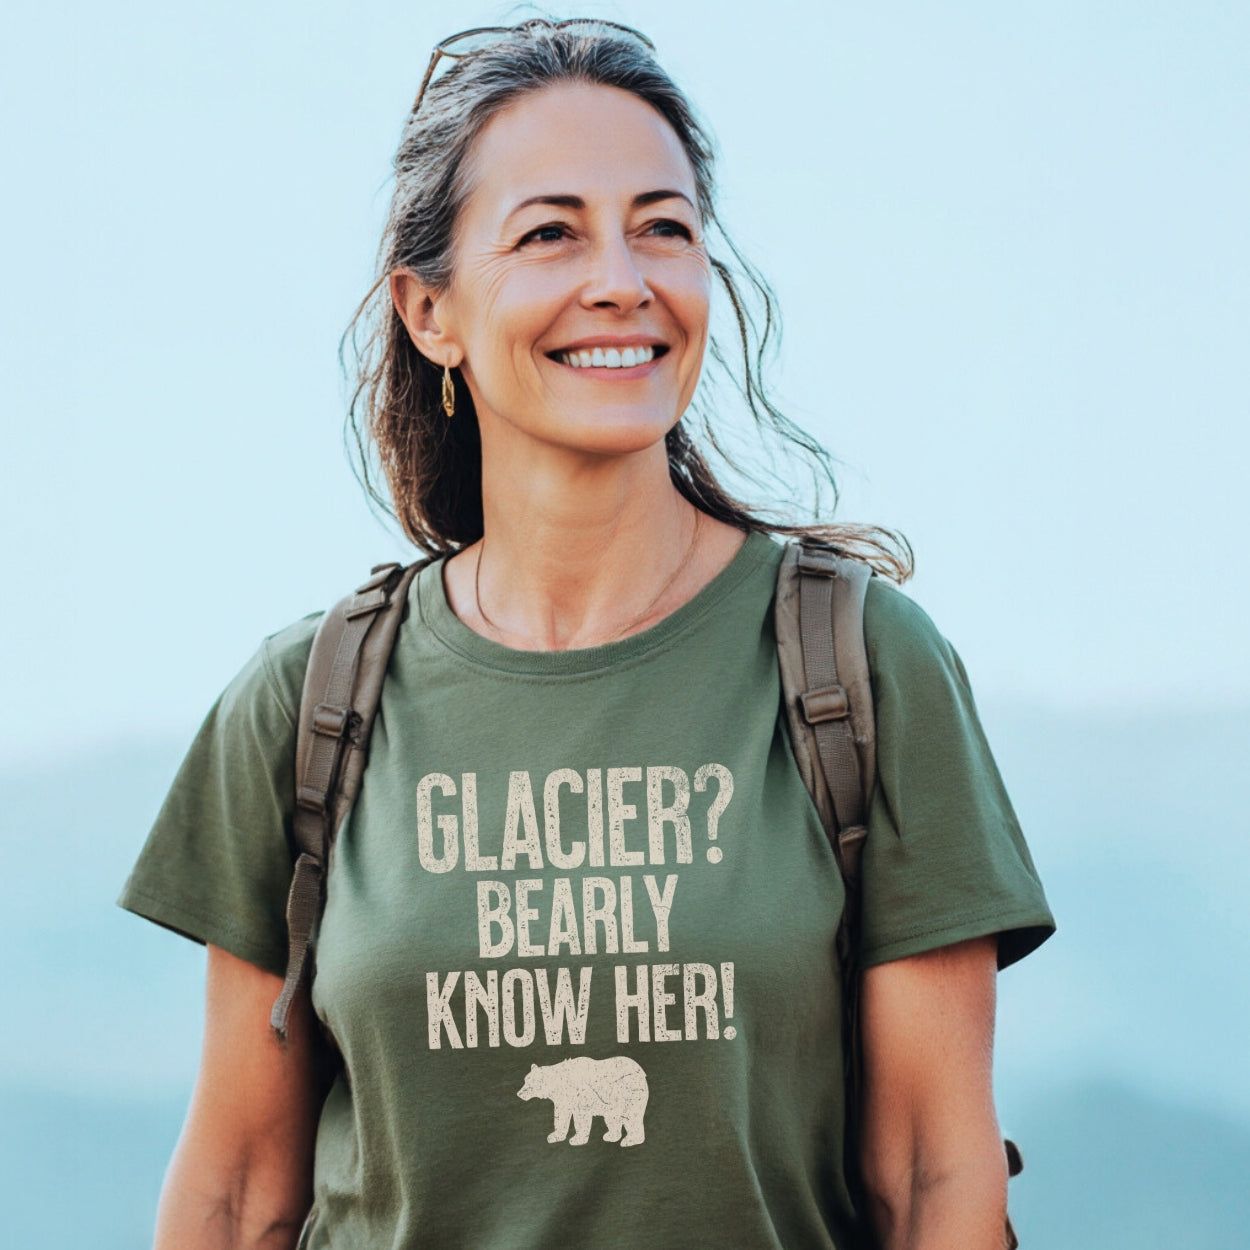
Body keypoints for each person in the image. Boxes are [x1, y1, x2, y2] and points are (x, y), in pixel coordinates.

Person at [118, 18, 1054, 1250]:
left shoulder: (860, 668)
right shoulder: (310, 701)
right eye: (550, 231)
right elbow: (238, 1191)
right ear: (428, 309)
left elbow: (935, 1177)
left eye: (662, 225)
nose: (621, 277)